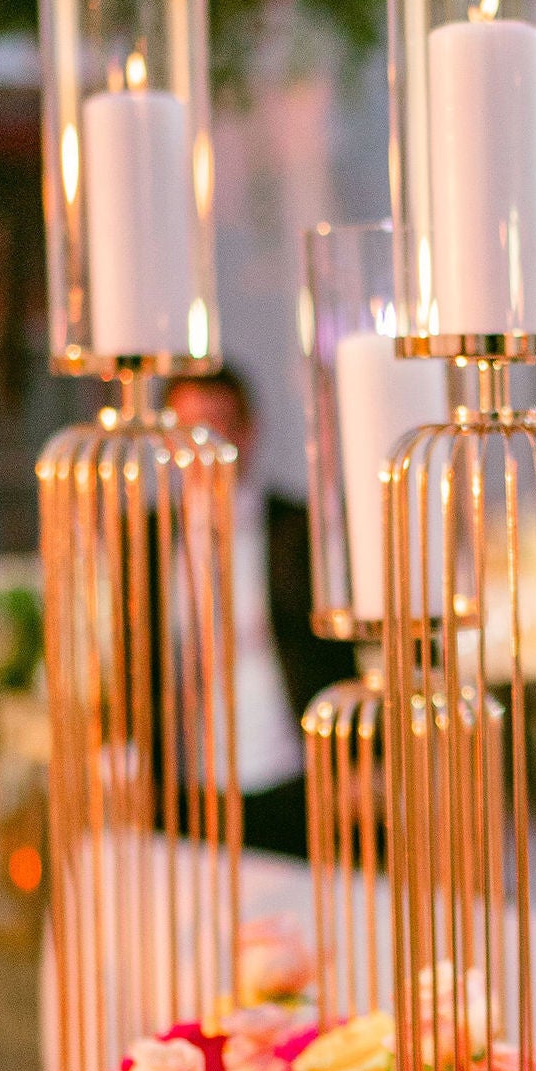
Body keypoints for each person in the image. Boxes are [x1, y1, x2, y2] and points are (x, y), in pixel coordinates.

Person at [162, 363, 339, 857]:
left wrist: (357, 763)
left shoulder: (298, 529)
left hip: (288, 771)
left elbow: (333, 647)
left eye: (217, 427)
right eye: (188, 431)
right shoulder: (150, 538)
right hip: (186, 781)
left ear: (247, 430)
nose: (204, 446)